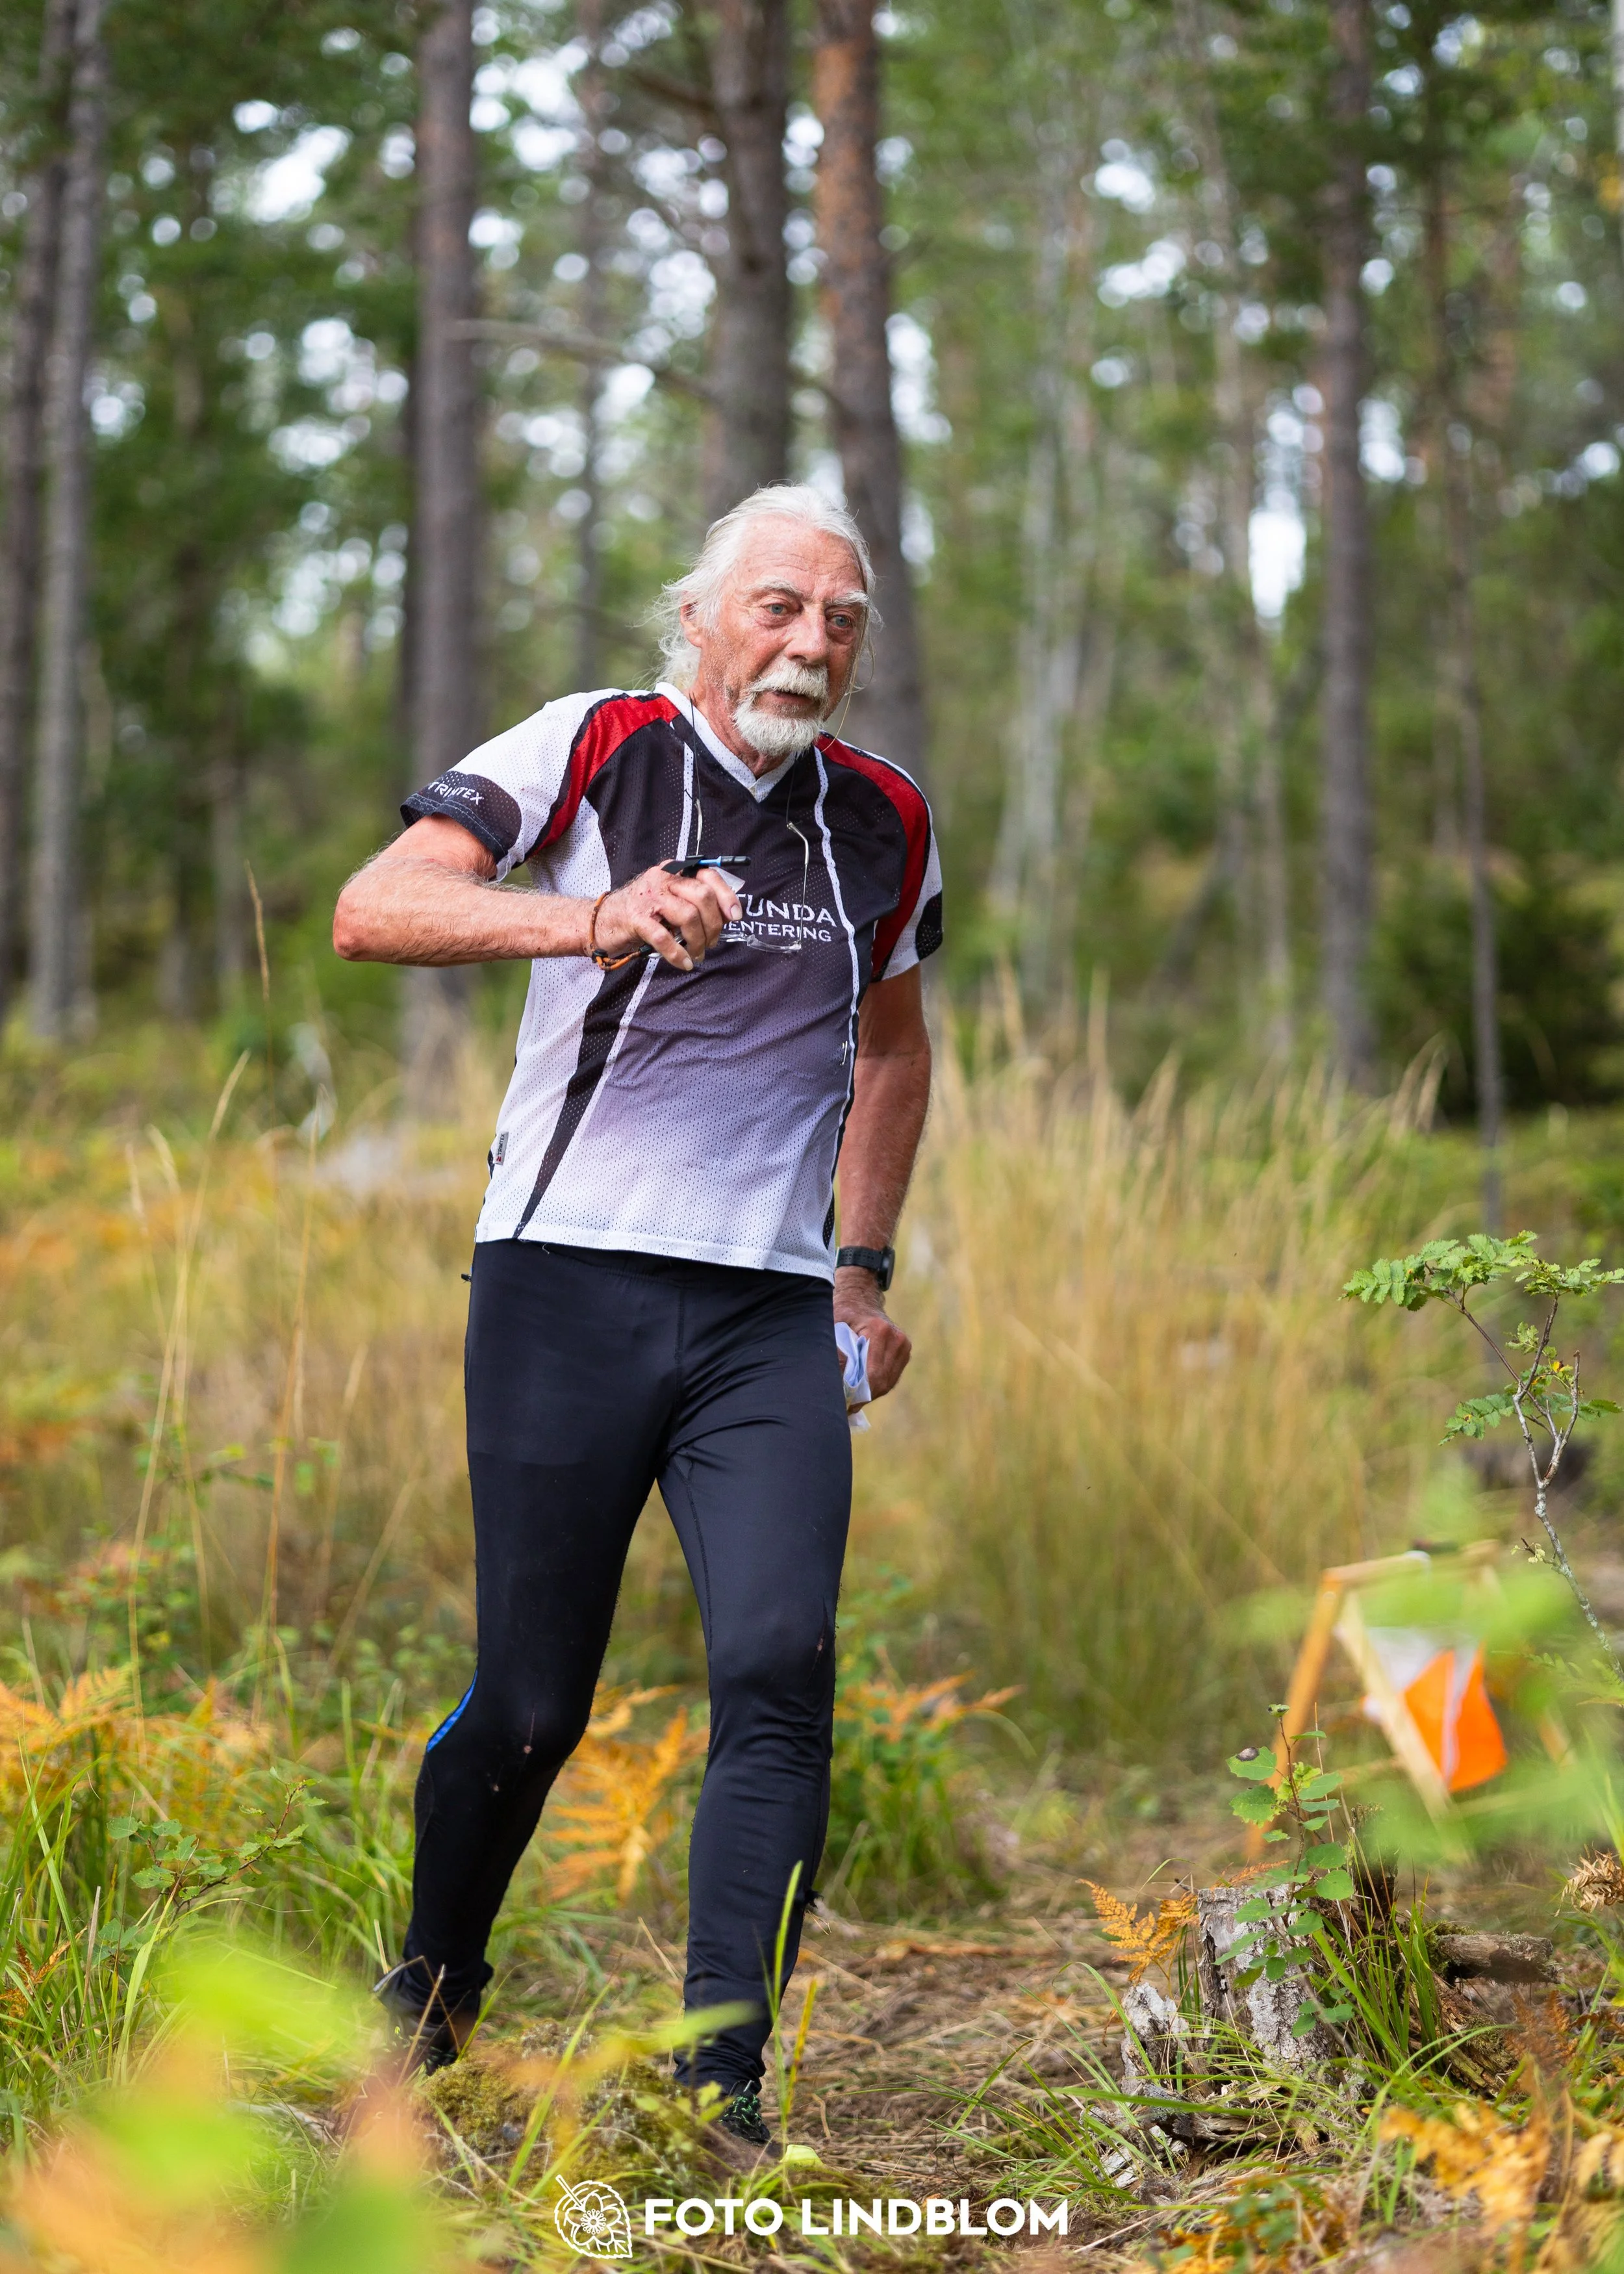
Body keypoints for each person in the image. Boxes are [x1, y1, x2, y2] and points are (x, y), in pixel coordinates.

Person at [332, 483, 941, 2154]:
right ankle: (428, 2007)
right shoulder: (591, 742)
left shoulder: (881, 813)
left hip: (763, 1312)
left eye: (840, 617)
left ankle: (718, 2091)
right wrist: (588, 914)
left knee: (777, 1669)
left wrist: (861, 1265)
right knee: (531, 1704)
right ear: (700, 614)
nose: (810, 640)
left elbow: (892, 1047)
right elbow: (372, 906)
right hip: (566, 1275)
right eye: (776, 606)